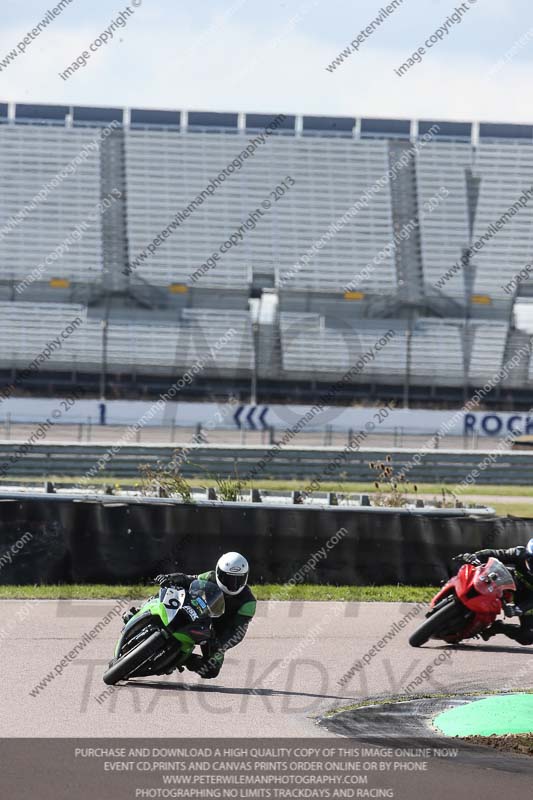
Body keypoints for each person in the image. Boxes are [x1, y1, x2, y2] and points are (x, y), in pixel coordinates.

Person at [151, 552, 256, 678]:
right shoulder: (210, 576)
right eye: (228, 578)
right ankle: (144, 611)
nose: (232, 584)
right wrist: (169, 578)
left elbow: (238, 631)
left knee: (211, 670)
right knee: (170, 591)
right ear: (218, 573)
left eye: (238, 579)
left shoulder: (248, 601)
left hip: (216, 634)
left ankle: (181, 658)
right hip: (198, 613)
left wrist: (221, 644)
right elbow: (188, 579)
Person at [455, 538, 533, 645]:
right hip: (510, 580)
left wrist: (518, 609)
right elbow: (495, 554)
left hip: (528, 597)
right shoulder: (519, 553)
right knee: (479, 571)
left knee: (527, 636)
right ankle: (456, 592)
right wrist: (474, 556)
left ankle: (499, 627)